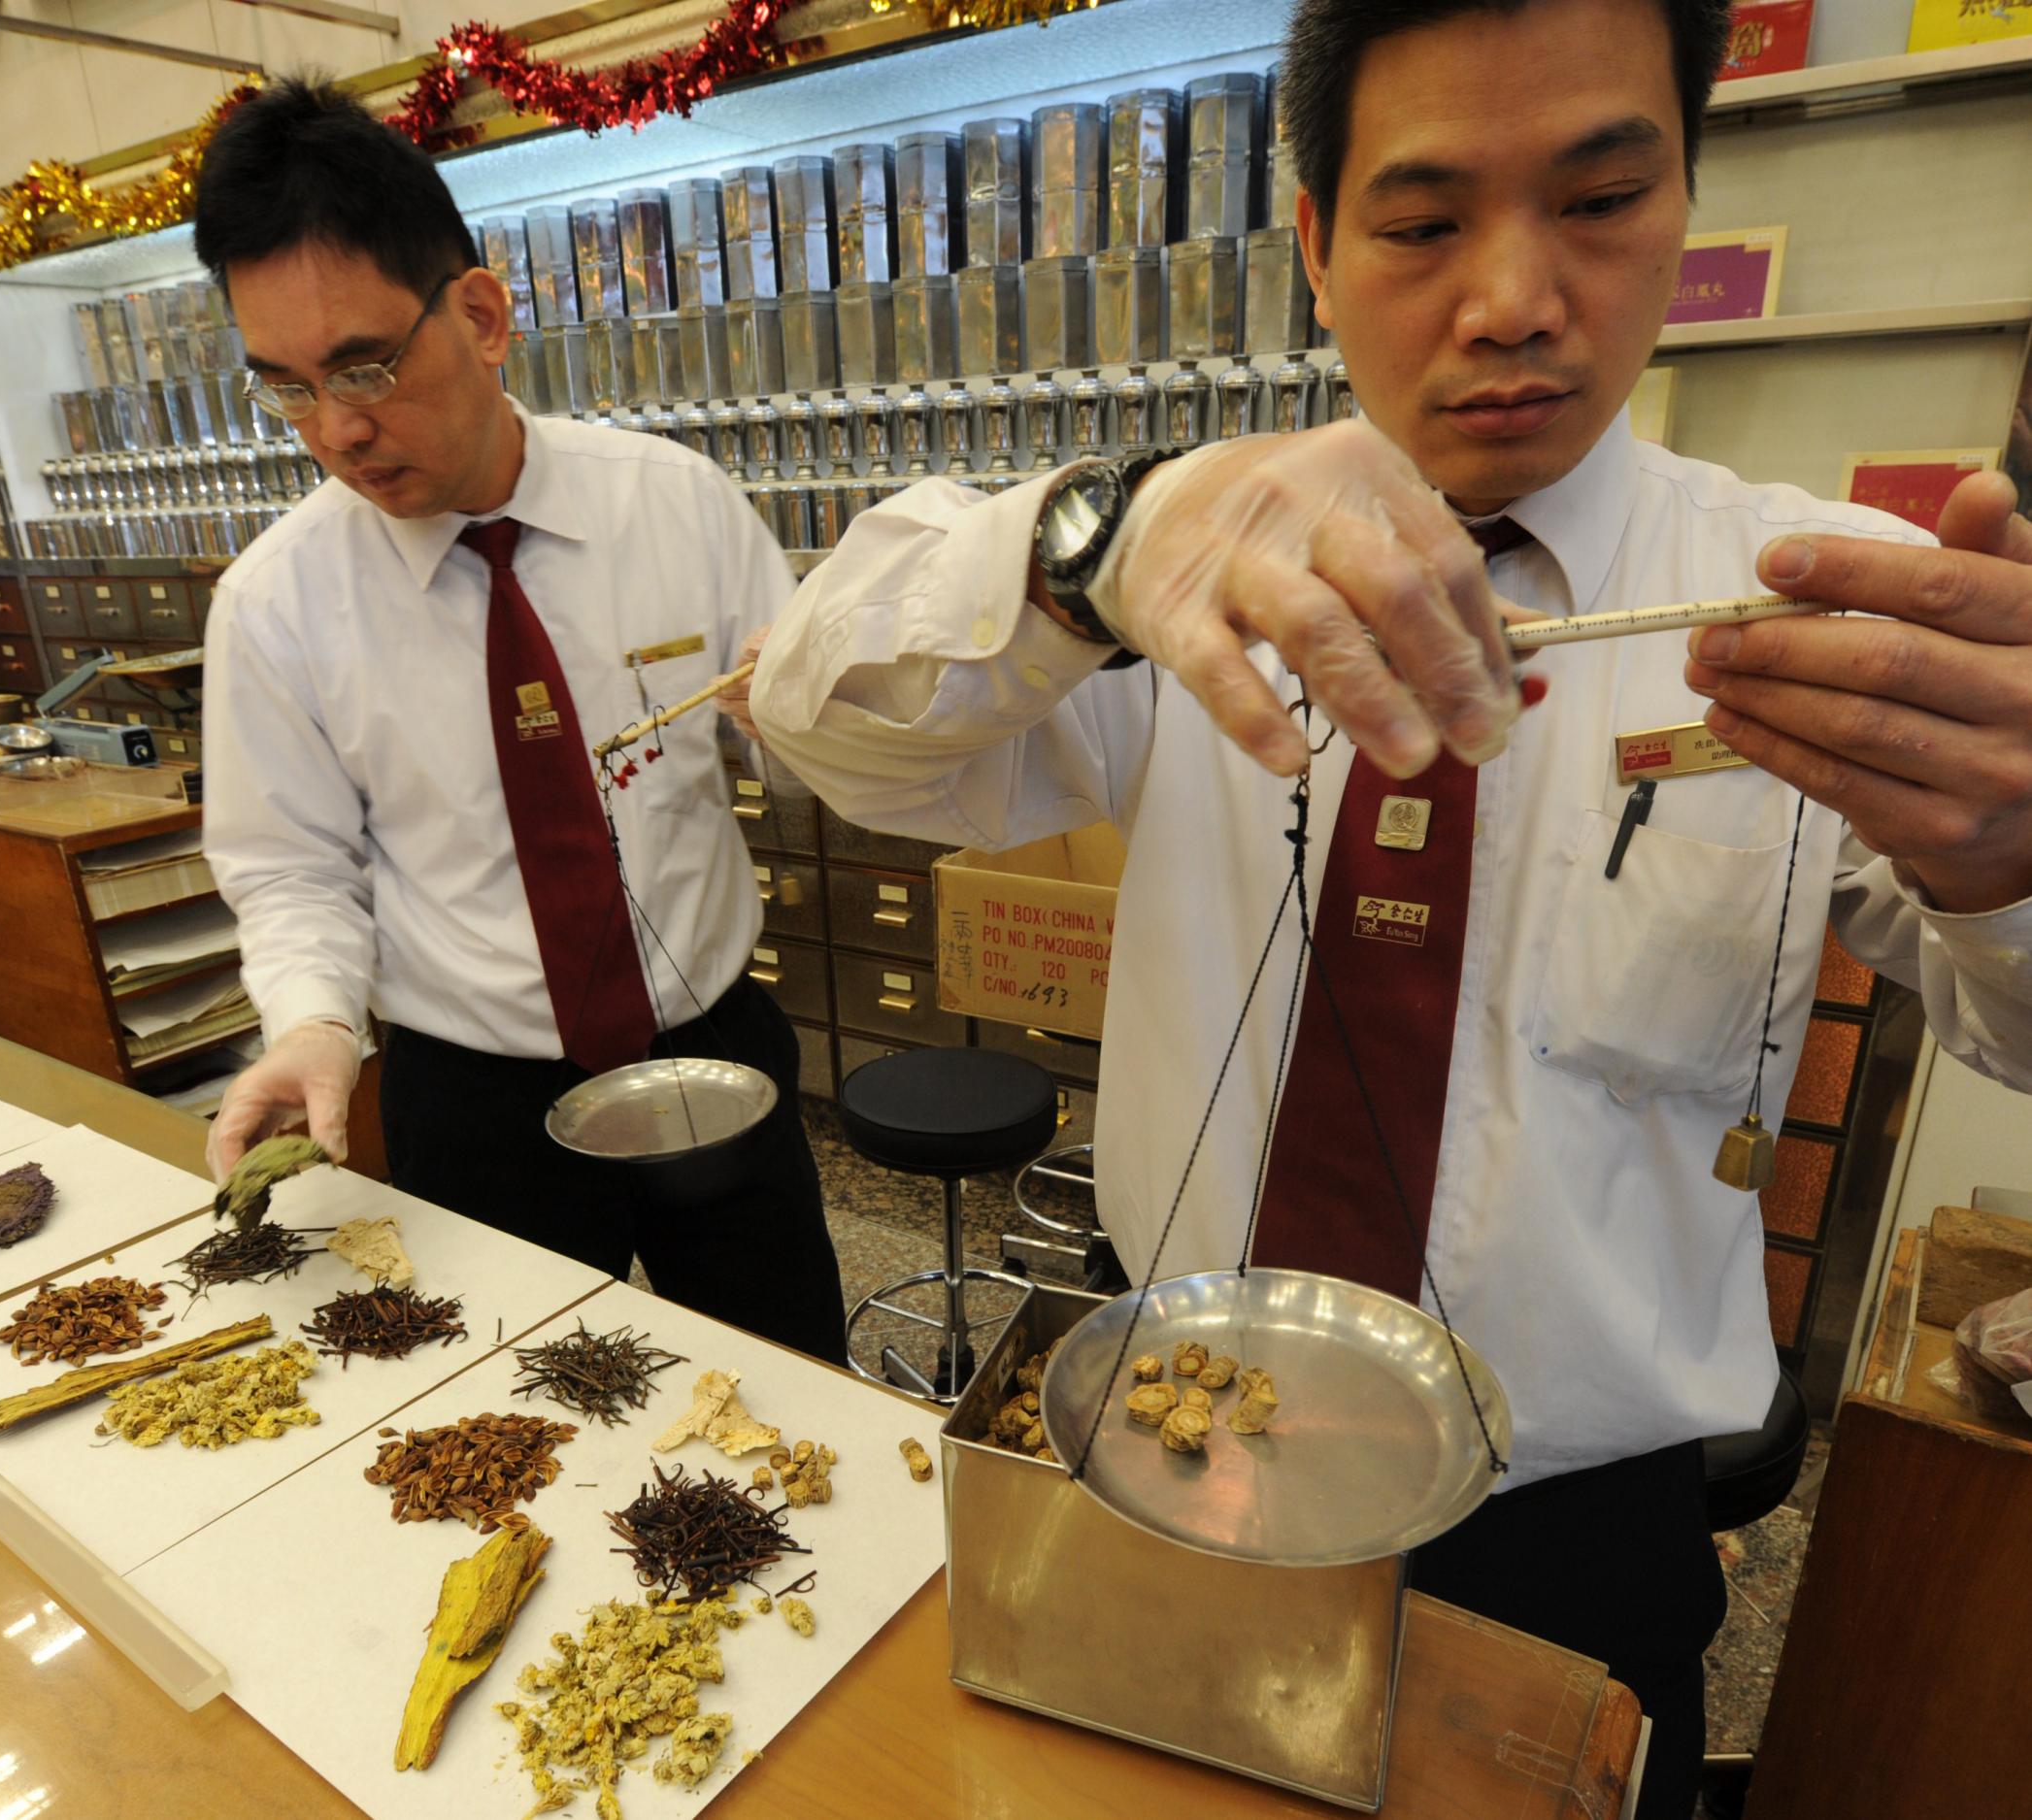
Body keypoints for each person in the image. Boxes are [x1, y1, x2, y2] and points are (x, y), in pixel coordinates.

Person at [749, 1, 2032, 1811]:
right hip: (1178, 1422)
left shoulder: (1811, 602)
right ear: (1318, 252)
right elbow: (823, 726)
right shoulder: (1199, 561)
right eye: (1424, 224)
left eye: (1598, 196)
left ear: (1685, 194)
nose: (1511, 298)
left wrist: (2007, 869)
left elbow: (2012, 1030)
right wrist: (1090, 544)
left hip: (1567, 1518)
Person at [190, 78, 846, 1365]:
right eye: (286, 388)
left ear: (482, 316)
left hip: (707, 1048)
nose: (340, 431)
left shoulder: (677, 506)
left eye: (367, 365)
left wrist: (835, 708)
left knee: (795, 1384)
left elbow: (809, 758)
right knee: (521, 1426)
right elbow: (290, 867)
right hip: (474, 1097)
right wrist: (315, 1021)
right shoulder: (275, 604)